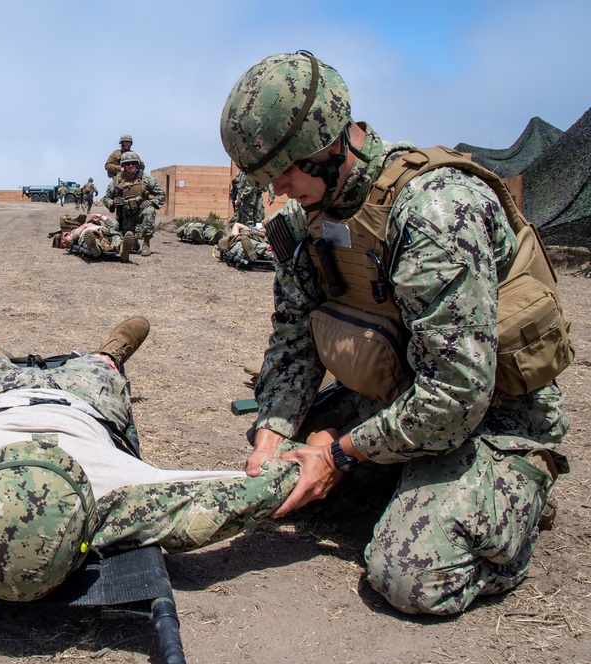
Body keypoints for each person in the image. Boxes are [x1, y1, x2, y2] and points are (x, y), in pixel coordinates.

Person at [221, 51, 570, 615]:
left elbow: (457, 396)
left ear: (331, 141)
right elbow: (294, 339)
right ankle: (405, 475)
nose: (281, 190)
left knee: (409, 576)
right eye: (269, 178)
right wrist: (270, 437)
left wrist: (338, 455)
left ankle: (519, 492)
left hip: (490, 415)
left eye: (286, 171)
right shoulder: (301, 221)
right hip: (398, 396)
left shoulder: (435, 213)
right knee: (282, 458)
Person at [0, 300, 299, 602]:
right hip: (85, 404)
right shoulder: (115, 496)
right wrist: (319, 462)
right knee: (99, 368)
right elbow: (222, 498)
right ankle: (109, 354)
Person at [102, 151, 165, 256]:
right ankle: (134, 242)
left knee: (149, 210)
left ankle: (146, 244)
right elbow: (106, 198)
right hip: (125, 216)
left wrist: (151, 202)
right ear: (123, 166)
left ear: (137, 164)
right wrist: (113, 203)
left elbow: (161, 195)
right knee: (124, 243)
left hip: (139, 215)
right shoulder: (117, 180)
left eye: (133, 163)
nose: (130, 166)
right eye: (127, 164)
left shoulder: (146, 178)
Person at [61, 213, 134, 260]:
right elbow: (71, 237)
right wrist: (85, 225)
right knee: (90, 238)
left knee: (116, 237)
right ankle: (96, 248)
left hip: (106, 233)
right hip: (89, 234)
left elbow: (114, 224)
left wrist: (99, 216)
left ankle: (123, 249)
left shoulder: (103, 226)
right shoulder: (84, 227)